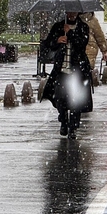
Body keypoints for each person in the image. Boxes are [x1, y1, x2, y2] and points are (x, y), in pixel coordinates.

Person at [40, 11, 93, 139]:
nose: (72, 14)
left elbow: (81, 44)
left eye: (74, 11)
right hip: (61, 69)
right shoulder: (58, 27)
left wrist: (70, 33)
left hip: (78, 70)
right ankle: (63, 119)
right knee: (59, 97)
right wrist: (57, 40)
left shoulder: (83, 27)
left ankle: (73, 127)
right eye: (69, 11)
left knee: (75, 99)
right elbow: (48, 45)